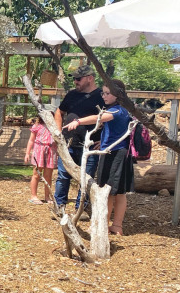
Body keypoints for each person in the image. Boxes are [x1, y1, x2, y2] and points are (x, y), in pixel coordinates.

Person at [62, 79, 134, 236]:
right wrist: (104, 141)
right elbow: (119, 131)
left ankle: (103, 225)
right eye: (103, 92)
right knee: (118, 192)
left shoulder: (117, 110)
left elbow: (98, 118)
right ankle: (116, 226)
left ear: (118, 94)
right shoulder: (118, 109)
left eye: (108, 93)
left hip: (116, 155)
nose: (104, 96)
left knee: (108, 192)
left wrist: (78, 121)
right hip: (115, 150)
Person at [53, 65, 105, 213]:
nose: (75, 81)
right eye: (74, 78)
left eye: (78, 79)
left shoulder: (102, 95)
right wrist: (58, 133)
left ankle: (81, 208)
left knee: (87, 179)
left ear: (90, 78)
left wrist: (104, 140)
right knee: (63, 176)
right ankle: (59, 206)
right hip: (68, 143)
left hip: (89, 146)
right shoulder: (72, 95)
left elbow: (110, 118)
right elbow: (59, 112)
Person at [24, 114, 57, 204]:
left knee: (48, 176)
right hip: (39, 150)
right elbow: (31, 140)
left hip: (51, 151)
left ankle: (47, 197)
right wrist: (27, 153)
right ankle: (33, 196)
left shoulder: (55, 126)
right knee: (36, 174)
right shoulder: (37, 126)